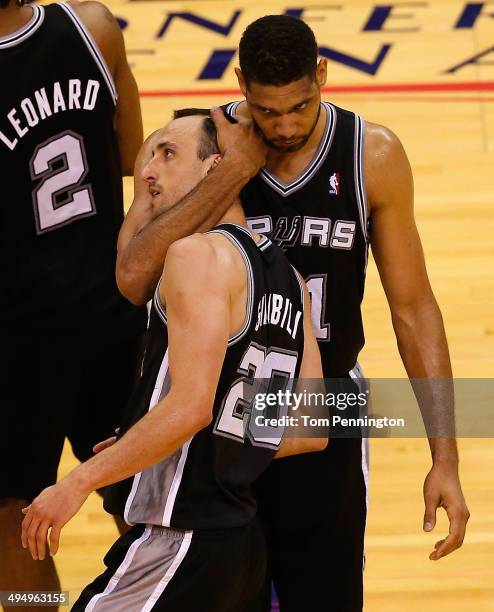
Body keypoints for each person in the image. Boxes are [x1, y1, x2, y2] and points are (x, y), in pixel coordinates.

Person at [114, 16, 470, 612]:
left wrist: (445, 458)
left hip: (320, 406)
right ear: (239, 85)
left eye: (299, 108)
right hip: (213, 420)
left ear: (323, 76)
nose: (283, 126)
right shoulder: (194, 144)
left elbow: (413, 311)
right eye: (267, 111)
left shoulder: (371, 154)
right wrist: (230, 172)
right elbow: (132, 277)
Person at [21, 110, 326, 612]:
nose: (148, 170)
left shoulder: (194, 255)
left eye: (169, 153)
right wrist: (161, 442)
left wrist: (78, 480)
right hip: (241, 549)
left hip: (180, 540)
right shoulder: (288, 278)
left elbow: (190, 408)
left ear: (216, 168)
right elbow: (310, 427)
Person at [0, 0, 146, 603]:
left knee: (14, 517)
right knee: (142, 501)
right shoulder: (95, 28)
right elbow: (137, 153)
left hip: (16, 336)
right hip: (112, 313)